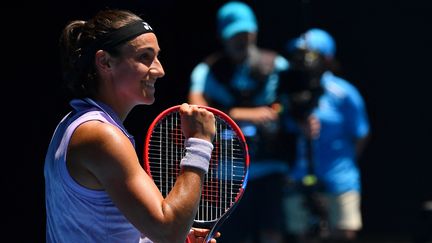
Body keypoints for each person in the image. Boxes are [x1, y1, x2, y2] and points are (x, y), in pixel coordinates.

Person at [44, 8, 220, 243]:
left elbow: (96, 231)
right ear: (105, 61)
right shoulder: (101, 135)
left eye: (157, 56)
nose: (159, 70)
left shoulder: (73, 125)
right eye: (145, 57)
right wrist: (199, 142)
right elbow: (169, 232)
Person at [188, 2, 291, 243]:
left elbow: (292, 104)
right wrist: (245, 114)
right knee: (232, 235)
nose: (241, 40)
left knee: (272, 232)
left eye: (245, 33)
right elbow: (196, 109)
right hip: (227, 173)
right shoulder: (208, 70)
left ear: (254, 32)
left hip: (270, 166)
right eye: (235, 34)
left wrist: (279, 111)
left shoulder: (277, 64)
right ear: (223, 36)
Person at [280, 28, 371, 243]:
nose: (303, 61)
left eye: (310, 55)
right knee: (305, 236)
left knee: (343, 233)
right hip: (298, 176)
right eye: (298, 55)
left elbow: (361, 133)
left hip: (339, 177)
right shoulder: (286, 91)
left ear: (327, 58)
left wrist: (343, 163)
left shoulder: (345, 93)